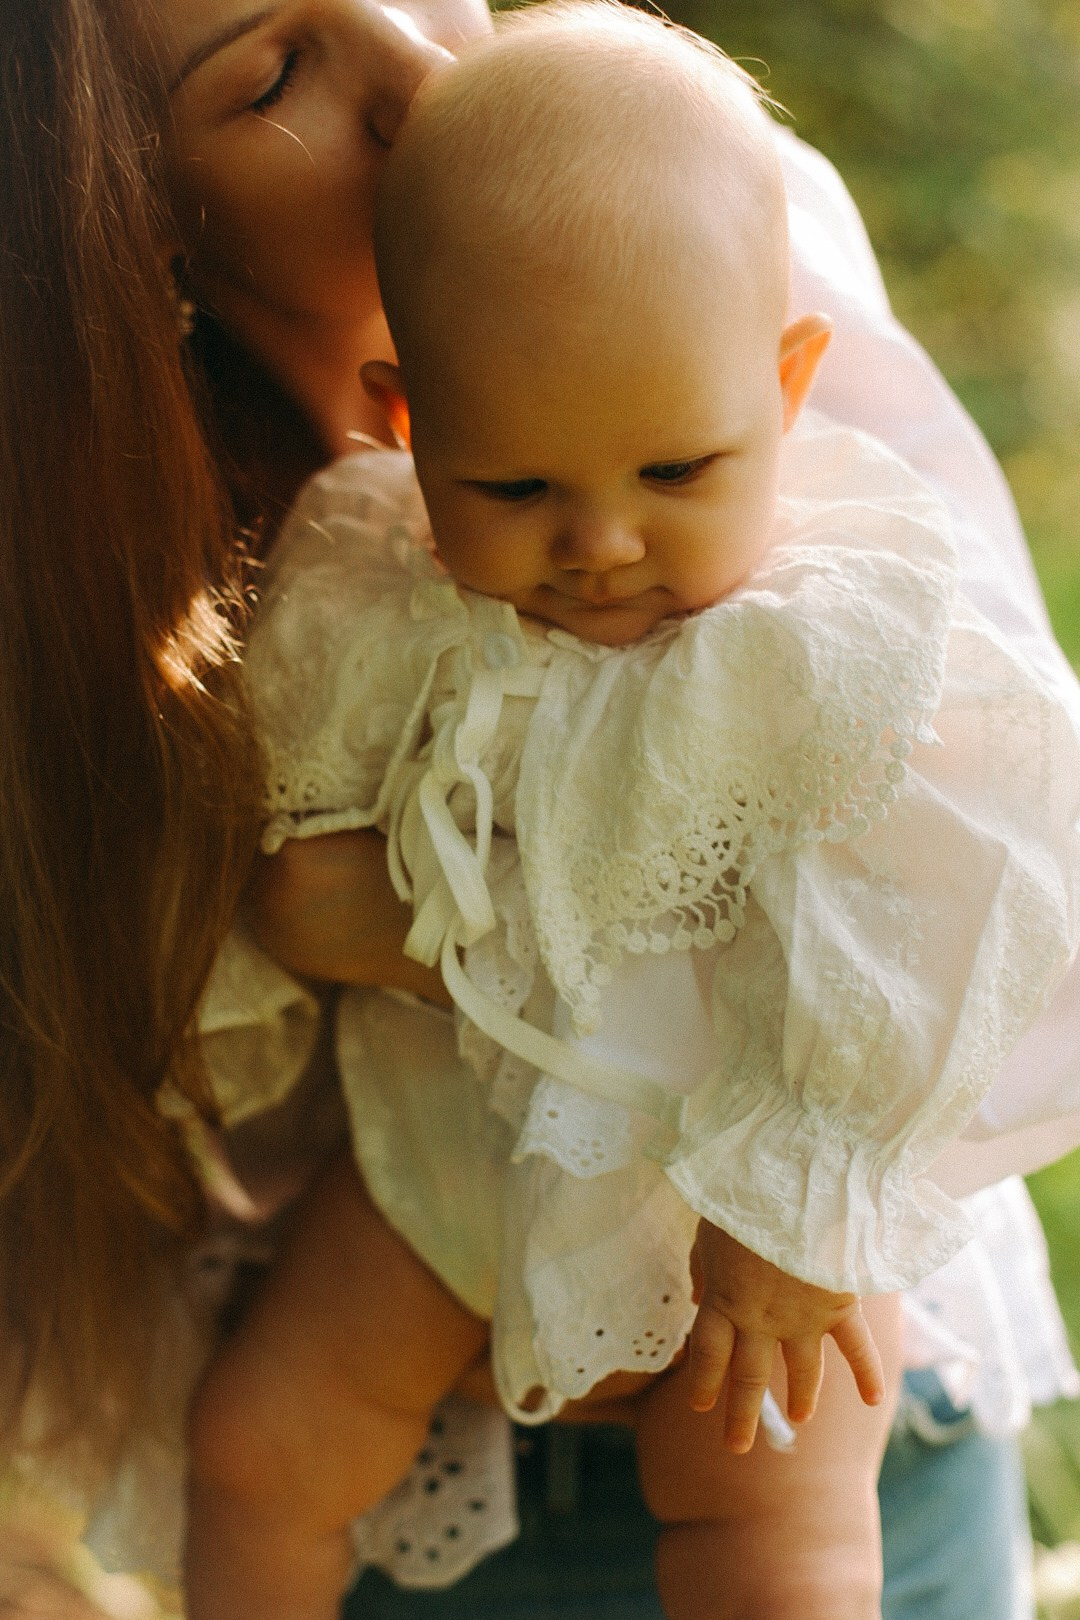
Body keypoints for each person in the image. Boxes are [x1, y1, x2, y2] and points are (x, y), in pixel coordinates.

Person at [0, 0, 1076, 1616]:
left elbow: (970, 895)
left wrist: (438, 924)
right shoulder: (337, 557)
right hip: (438, 1187)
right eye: (278, 71)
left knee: (772, 1507)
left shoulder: (702, 268)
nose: (601, 547)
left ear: (779, 393)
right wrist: (263, 892)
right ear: (118, 201)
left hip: (750, 1216)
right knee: (264, 1448)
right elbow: (270, 852)